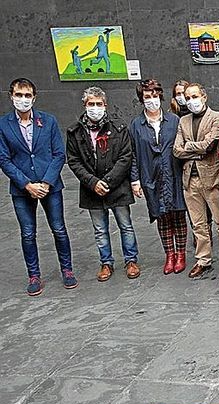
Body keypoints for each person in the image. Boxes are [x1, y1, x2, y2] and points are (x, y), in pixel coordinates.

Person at [0, 78, 77, 295]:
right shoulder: (3, 125)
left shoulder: (48, 121)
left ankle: (67, 270)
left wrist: (45, 182)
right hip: (21, 188)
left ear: (34, 97)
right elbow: (4, 159)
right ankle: (33, 275)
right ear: (11, 96)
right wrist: (26, 184)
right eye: (19, 95)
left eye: (27, 95)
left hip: (49, 185)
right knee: (27, 233)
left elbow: (58, 154)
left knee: (59, 229)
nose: (23, 100)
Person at [66, 86, 139, 282]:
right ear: (85, 105)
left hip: (117, 187)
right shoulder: (75, 132)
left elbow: (126, 156)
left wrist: (107, 182)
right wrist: (93, 182)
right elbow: (73, 160)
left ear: (105, 105)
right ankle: (106, 262)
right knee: (100, 229)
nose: (95, 108)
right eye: (91, 104)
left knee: (126, 225)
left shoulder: (119, 128)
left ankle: (131, 260)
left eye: (99, 104)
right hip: (92, 189)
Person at [174, 82, 219, 279]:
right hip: (189, 181)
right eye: (187, 97)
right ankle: (203, 259)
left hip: (212, 179)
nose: (191, 101)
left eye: (194, 96)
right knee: (198, 224)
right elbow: (176, 150)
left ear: (204, 97)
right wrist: (196, 151)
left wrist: (189, 148)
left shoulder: (217, 118)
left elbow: (209, 145)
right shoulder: (183, 121)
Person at [130, 79, 188, 276]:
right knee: (161, 216)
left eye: (155, 96)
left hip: (174, 174)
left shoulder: (174, 120)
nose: (152, 100)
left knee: (179, 214)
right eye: (147, 96)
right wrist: (135, 180)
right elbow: (133, 154)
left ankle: (181, 254)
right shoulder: (136, 124)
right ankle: (169, 255)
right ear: (141, 99)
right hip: (151, 177)